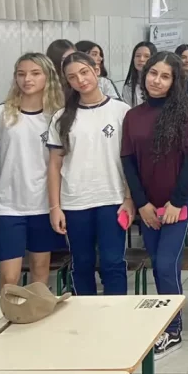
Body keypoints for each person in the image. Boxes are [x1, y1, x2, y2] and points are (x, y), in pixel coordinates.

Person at [121, 51, 188, 359]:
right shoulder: (133, 115)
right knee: (160, 263)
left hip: (176, 202)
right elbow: (128, 161)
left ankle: (172, 330)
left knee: (166, 263)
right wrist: (141, 204)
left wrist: (176, 202)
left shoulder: (184, 113)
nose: (157, 80)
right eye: (153, 73)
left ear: (175, 81)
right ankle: (168, 319)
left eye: (165, 76)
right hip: (147, 203)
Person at [47, 52, 134, 296]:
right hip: (75, 202)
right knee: (82, 264)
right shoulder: (61, 117)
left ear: (96, 70)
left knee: (112, 263)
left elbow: (130, 160)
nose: (81, 80)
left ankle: (116, 321)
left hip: (113, 200)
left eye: (84, 72)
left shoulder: (121, 111)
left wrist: (129, 198)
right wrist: (55, 207)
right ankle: (86, 323)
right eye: (72, 77)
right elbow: (54, 165)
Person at [0, 53, 65, 292]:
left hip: (44, 205)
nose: (27, 79)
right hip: (9, 206)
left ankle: (35, 322)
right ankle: (5, 323)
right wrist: (9, 182)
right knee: (9, 278)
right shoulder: (1, 114)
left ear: (47, 77)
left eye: (34, 73)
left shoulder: (57, 116)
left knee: (40, 272)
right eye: (21, 73)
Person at [122, 41, 156, 107]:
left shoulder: (158, 84)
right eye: (138, 56)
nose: (141, 59)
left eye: (146, 56)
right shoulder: (128, 88)